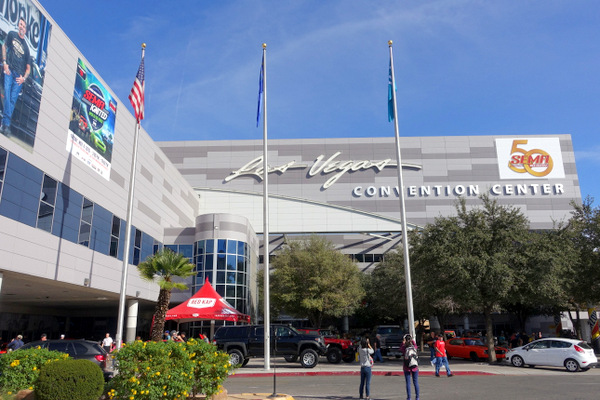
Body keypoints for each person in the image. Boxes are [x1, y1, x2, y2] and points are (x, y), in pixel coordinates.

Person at [1, 17, 31, 135]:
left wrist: (24, 78)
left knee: (12, 100)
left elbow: (28, 68)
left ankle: (4, 125)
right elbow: (4, 46)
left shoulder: (27, 49)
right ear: (18, 25)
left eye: (23, 26)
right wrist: (4, 63)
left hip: (18, 77)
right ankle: (6, 125)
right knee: (7, 95)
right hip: (9, 71)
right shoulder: (12, 35)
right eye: (20, 24)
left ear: (26, 30)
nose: (21, 27)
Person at [401, 334, 420, 400]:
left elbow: (401, 349)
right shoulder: (414, 347)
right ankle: (417, 397)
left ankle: (409, 397)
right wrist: (412, 341)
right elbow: (416, 345)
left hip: (407, 367)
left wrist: (403, 342)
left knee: (408, 383)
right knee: (416, 382)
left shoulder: (404, 348)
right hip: (414, 366)